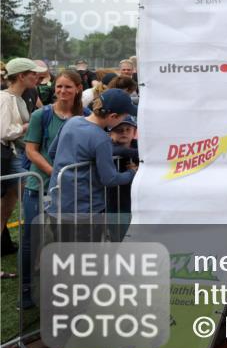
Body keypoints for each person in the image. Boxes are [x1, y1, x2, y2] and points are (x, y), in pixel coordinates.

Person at [20, 69, 86, 306]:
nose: (62, 91)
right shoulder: (42, 115)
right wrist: (54, 173)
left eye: (68, 86)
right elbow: (31, 150)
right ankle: (27, 289)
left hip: (71, 192)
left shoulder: (86, 115)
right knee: (32, 239)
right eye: (59, 86)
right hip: (39, 188)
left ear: (78, 88)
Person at [47, 89, 137, 224]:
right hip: (86, 209)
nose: (124, 119)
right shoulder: (101, 139)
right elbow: (110, 179)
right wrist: (132, 173)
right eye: (124, 117)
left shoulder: (72, 121)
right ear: (113, 116)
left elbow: (52, 152)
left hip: (58, 202)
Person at [1, 58, 46, 268]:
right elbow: (4, 132)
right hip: (11, 157)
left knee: (6, 211)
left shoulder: (19, 97)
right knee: (34, 205)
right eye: (32, 73)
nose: (36, 77)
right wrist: (26, 127)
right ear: (21, 76)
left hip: (14, 157)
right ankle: (37, 258)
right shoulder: (5, 98)